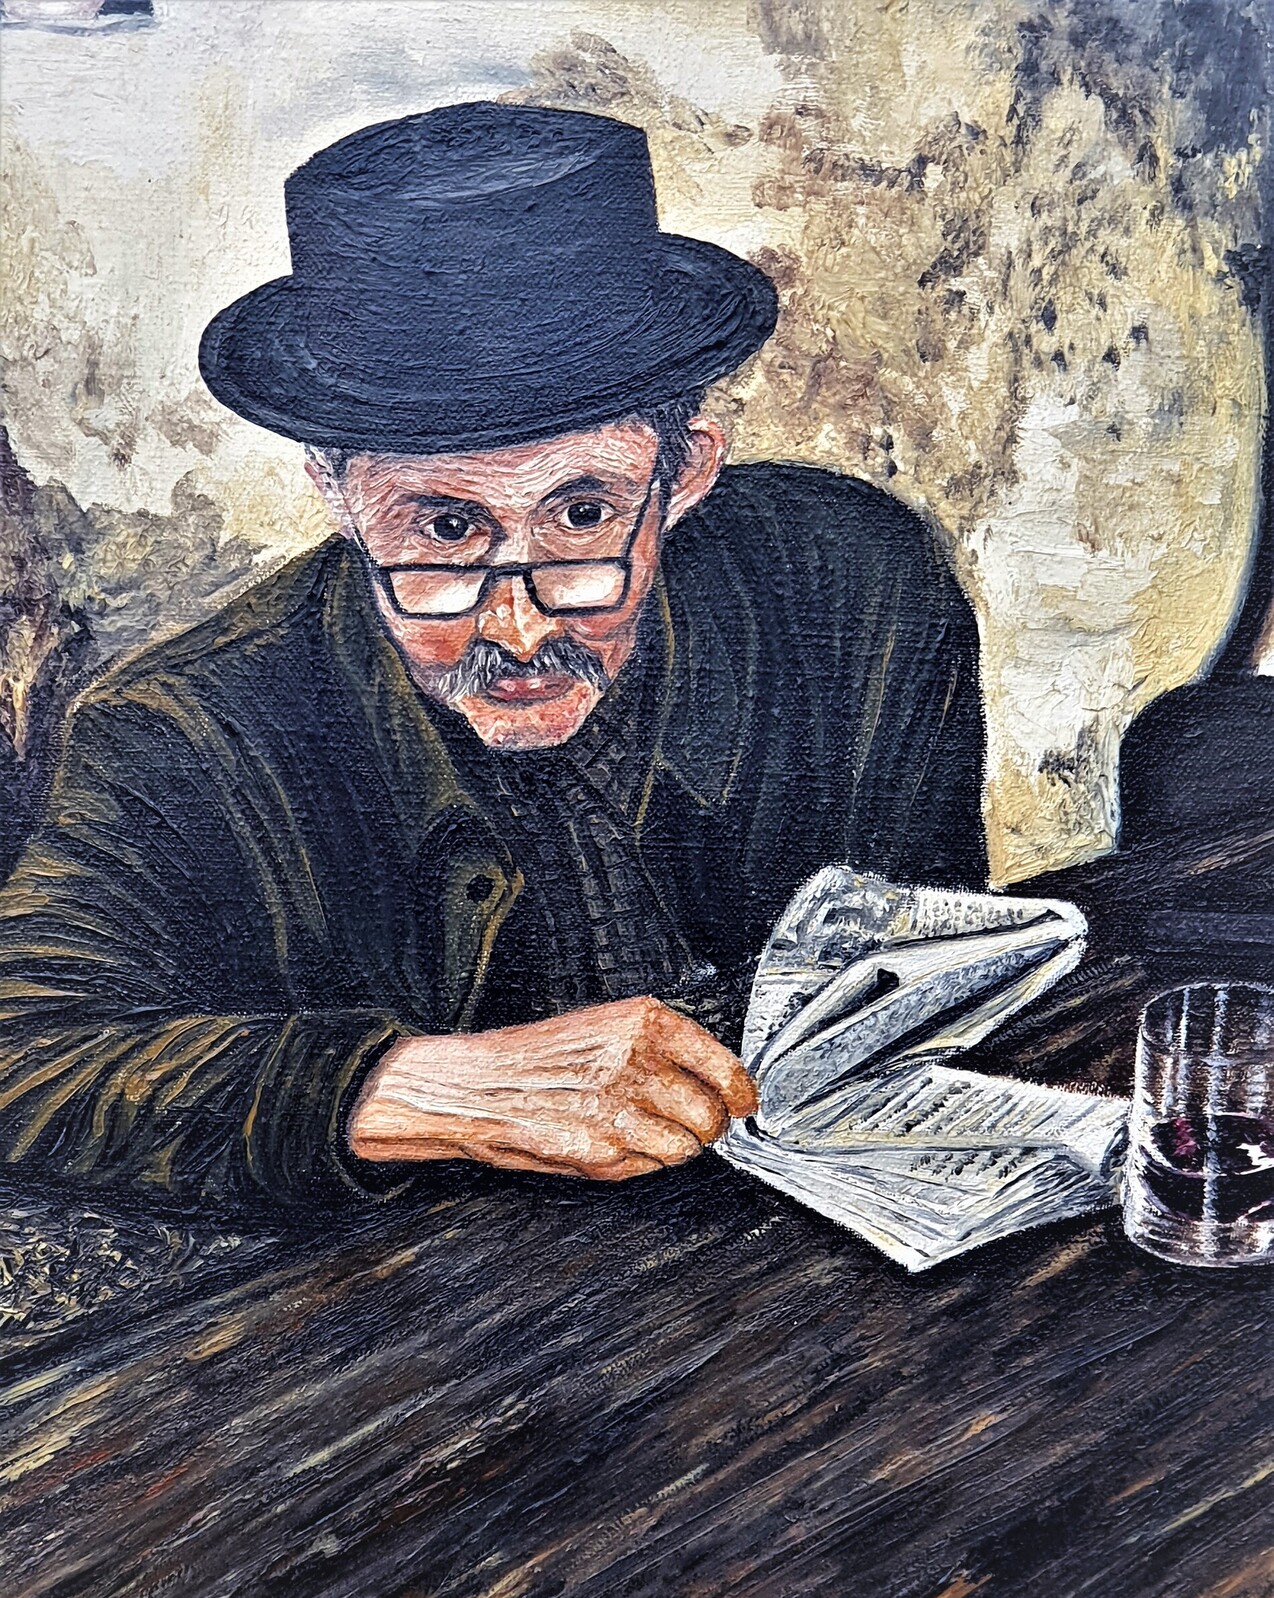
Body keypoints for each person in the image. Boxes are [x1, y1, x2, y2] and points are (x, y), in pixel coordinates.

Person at [0, 104, 985, 1210]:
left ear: (687, 473)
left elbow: (936, 949)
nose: (517, 628)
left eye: (581, 515)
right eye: (444, 529)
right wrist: (423, 1087)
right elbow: (19, 1056)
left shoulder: (853, 588)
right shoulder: (186, 731)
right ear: (334, 494)